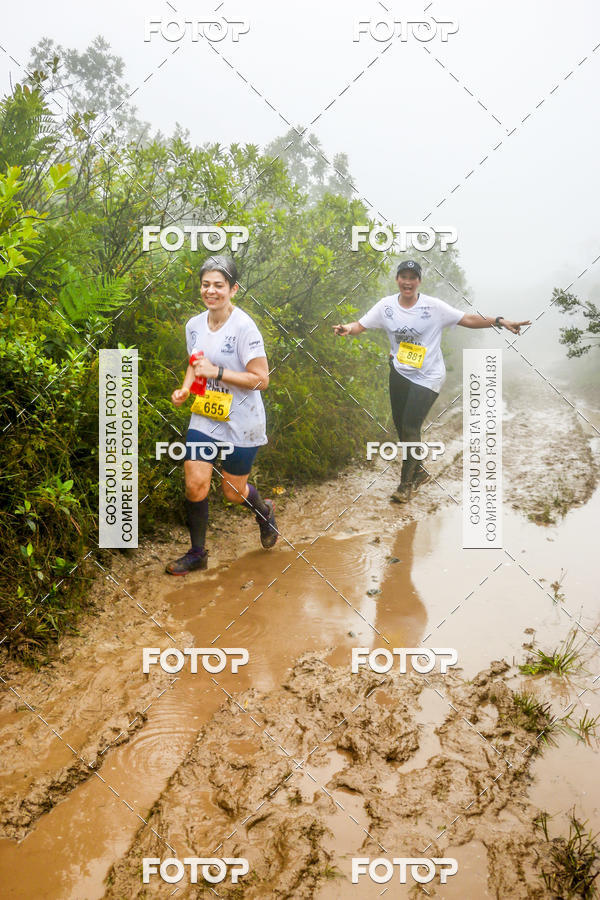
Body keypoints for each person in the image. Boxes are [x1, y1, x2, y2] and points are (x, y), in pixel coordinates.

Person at [334, 259, 530, 503]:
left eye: (412, 277)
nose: (407, 281)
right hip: (399, 371)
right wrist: (347, 328)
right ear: (397, 280)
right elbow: (360, 325)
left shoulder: (433, 307)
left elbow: (468, 319)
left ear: (419, 281)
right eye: (403, 276)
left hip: (428, 375)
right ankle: (420, 471)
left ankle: (406, 485)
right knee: (401, 427)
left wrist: (500, 321)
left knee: (410, 426)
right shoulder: (386, 306)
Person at [166, 255, 277, 575]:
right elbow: (195, 362)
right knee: (195, 484)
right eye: (205, 284)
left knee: (232, 492)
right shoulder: (194, 325)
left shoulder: (244, 327)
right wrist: (186, 388)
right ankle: (197, 553)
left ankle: (264, 511)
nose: (210, 291)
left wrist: (219, 371)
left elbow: (261, 379)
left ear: (233, 289)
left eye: (218, 285)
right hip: (205, 415)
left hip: (242, 420)